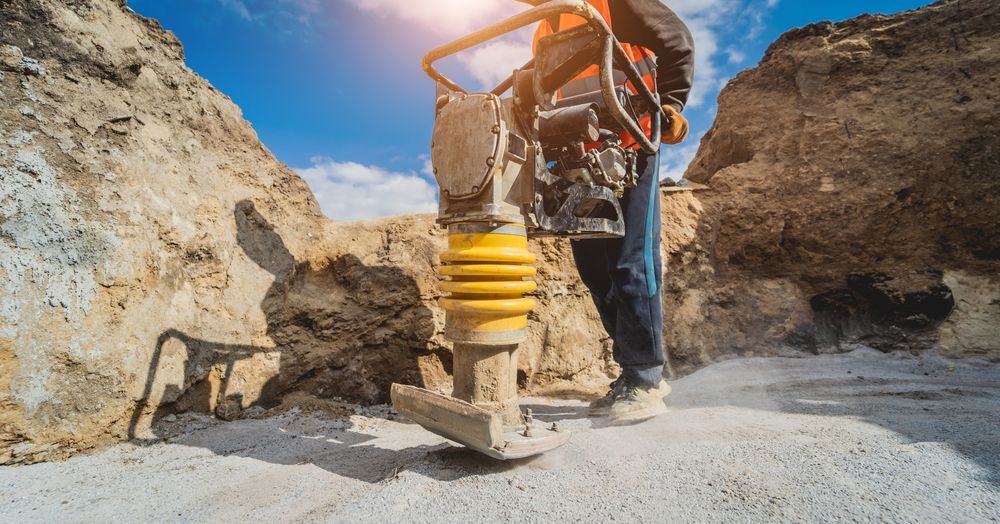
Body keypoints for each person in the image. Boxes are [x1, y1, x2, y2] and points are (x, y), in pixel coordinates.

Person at [524, 0, 695, 424]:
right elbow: (537, 86)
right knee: (595, 269)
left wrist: (672, 102)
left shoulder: (612, 2)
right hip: (578, 155)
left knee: (630, 259)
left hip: (632, 142)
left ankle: (646, 378)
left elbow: (676, 40)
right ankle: (631, 371)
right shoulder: (545, 28)